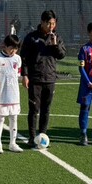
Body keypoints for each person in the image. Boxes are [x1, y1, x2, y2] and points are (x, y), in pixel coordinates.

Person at [19, 10, 66, 148]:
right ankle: (32, 137)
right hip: (35, 78)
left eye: (53, 23)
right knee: (34, 109)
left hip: (50, 78)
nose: (51, 26)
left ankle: (43, 136)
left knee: (46, 109)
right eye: (49, 23)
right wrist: (25, 75)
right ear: (42, 22)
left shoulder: (56, 37)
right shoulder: (31, 37)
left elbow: (61, 55)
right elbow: (24, 58)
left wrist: (55, 44)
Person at [0, 35, 24, 153]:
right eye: (11, 47)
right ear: (5, 46)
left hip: (14, 95)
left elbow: (18, 74)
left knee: (14, 118)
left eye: (16, 48)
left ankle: (13, 143)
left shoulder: (17, 58)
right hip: (1, 95)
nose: (13, 51)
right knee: (0, 119)